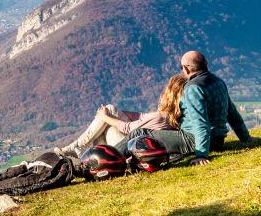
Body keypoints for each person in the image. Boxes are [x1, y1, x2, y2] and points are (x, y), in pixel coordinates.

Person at [152, 51, 256, 166]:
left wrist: (201, 155)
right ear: (206, 64)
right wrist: (246, 139)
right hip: (218, 141)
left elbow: (200, 123)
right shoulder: (218, 81)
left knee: (141, 134)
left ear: (186, 69)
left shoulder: (193, 88)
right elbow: (232, 113)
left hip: (193, 140)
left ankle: (128, 161)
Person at [58, 73, 186, 158]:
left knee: (108, 123)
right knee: (110, 111)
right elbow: (142, 118)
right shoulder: (168, 117)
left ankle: (81, 149)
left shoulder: (161, 117)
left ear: (170, 94)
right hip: (135, 147)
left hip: (130, 150)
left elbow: (128, 129)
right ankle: (83, 150)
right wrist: (115, 114)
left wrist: (105, 117)